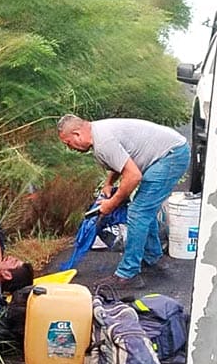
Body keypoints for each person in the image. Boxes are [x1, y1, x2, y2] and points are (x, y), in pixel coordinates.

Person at [57, 114, 190, 289]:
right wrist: (109, 184)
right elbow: (121, 160)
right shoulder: (99, 133)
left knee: (138, 212)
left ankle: (128, 274)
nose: (70, 147)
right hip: (169, 151)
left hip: (171, 156)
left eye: (68, 143)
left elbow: (133, 175)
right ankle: (153, 257)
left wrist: (111, 204)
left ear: (76, 134)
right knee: (143, 209)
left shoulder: (103, 141)